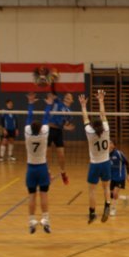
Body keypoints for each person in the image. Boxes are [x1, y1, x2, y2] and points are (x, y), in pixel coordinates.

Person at [79, 89, 112, 223]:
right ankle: (107, 206)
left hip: (95, 164)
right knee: (106, 187)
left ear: (93, 126)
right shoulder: (106, 130)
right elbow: (103, 114)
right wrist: (101, 101)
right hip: (106, 163)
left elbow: (85, 118)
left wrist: (83, 105)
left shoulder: (89, 132)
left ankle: (92, 213)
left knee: (92, 190)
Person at [25, 92, 54, 233]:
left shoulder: (27, 133)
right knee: (44, 195)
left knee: (32, 196)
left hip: (31, 168)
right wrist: (48, 105)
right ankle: (46, 221)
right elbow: (46, 118)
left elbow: (29, 118)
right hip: (42, 168)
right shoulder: (44, 134)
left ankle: (32, 222)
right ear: (41, 128)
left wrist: (31, 104)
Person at [47, 83, 75, 185]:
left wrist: (66, 127)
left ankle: (63, 172)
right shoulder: (58, 102)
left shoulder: (70, 112)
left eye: (70, 97)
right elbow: (53, 91)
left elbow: (65, 124)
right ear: (64, 98)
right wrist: (53, 82)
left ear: (72, 101)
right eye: (67, 96)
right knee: (46, 154)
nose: (68, 97)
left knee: (61, 155)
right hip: (50, 129)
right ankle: (48, 173)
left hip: (58, 132)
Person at [108, 141, 129, 216]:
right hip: (112, 177)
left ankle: (113, 209)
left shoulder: (118, 153)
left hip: (120, 177)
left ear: (114, 146)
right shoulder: (105, 155)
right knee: (111, 194)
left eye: (110, 143)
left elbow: (127, 162)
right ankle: (125, 198)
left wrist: (128, 175)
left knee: (115, 193)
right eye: (108, 143)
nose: (109, 144)